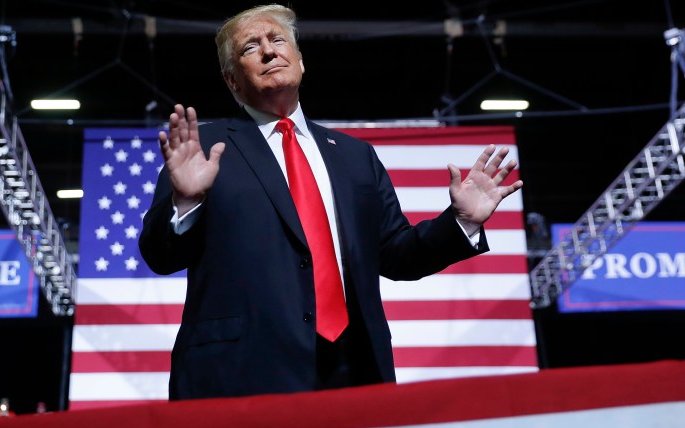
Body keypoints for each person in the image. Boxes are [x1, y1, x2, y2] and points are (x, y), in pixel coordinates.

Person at [139, 4, 523, 401]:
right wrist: (186, 201)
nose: (269, 51)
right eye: (250, 47)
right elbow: (159, 256)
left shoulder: (355, 156)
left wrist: (460, 221)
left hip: (355, 370)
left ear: (300, 62)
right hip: (242, 374)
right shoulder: (203, 149)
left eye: (278, 40)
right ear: (232, 80)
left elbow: (397, 255)